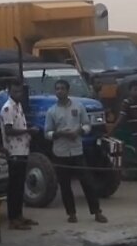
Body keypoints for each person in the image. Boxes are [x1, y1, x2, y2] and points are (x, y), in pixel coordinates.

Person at [45, 80, 107, 224]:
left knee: (87, 183)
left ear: (68, 90)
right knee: (65, 186)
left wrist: (78, 131)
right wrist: (59, 133)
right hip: (60, 153)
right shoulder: (51, 111)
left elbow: (87, 125)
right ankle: (71, 214)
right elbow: (46, 133)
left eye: (62, 88)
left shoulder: (78, 107)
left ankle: (97, 212)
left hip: (77, 151)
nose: (59, 91)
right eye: (57, 89)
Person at [0, 80, 37, 230]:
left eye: (20, 91)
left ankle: (19, 215)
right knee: (13, 187)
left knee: (20, 185)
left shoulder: (19, 106)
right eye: (15, 91)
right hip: (13, 152)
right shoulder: (8, 108)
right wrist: (28, 131)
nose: (18, 94)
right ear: (9, 91)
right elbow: (8, 131)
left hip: (22, 150)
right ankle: (13, 219)